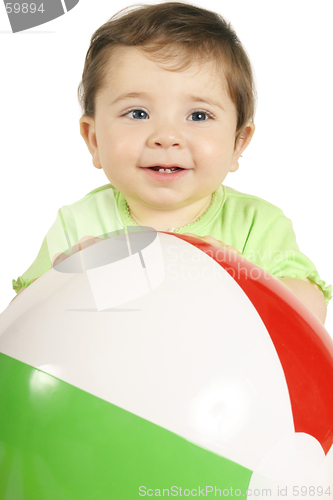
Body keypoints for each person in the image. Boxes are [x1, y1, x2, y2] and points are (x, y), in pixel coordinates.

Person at [11, 2, 331, 323]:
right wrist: (63, 284)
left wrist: (241, 278)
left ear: (238, 143)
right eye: (137, 113)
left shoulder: (256, 226)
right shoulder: (77, 225)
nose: (166, 136)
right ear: (94, 139)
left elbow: (312, 312)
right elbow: (19, 323)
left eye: (198, 115)